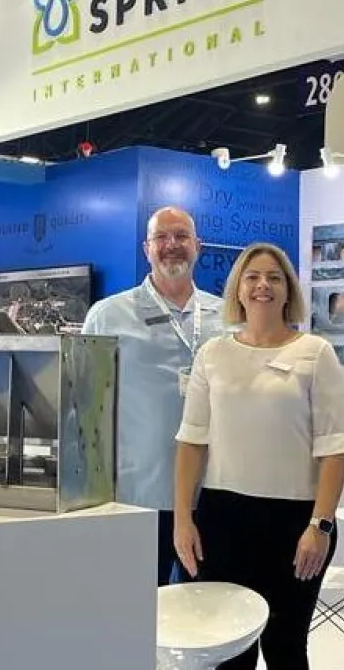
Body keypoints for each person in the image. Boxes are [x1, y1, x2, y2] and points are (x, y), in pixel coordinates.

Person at [173, 242, 344, 670]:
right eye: (252, 277)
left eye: (274, 277)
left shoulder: (316, 353)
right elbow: (191, 441)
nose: (262, 285)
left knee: (285, 648)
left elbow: (335, 449)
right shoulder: (212, 354)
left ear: (288, 290)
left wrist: (320, 526)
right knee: (229, 653)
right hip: (222, 519)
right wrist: (183, 520)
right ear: (238, 289)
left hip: (295, 523)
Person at [82, 206, 227, 586]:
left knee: (206, 610)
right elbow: (85, 408)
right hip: (137, 496)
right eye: (161, 237)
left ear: (198, 246)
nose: (171, 245)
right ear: (146, 248)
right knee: (135, 607)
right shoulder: (107, 316)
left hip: (211, 494)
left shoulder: (228, 318)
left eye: (181, 236)